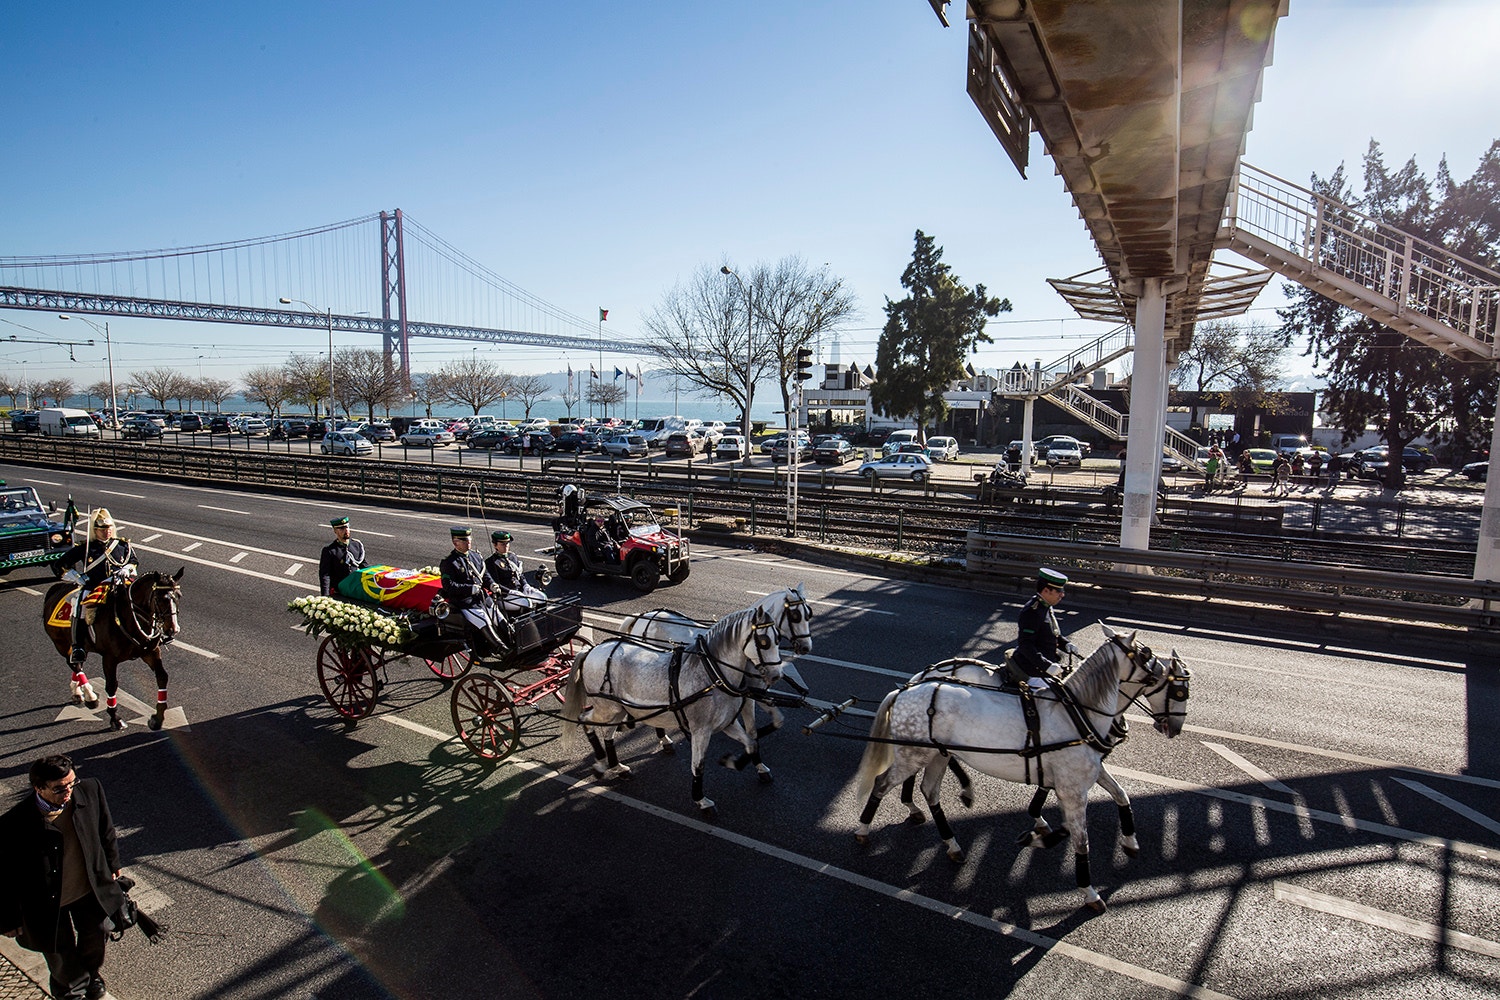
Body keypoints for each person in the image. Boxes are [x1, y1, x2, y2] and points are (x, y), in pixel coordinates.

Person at [0, 755, 127, 1000]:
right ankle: (70, 992)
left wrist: (113, 863)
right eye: (59, 788)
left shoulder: (90, 789)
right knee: (59, 951)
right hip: (44, 902)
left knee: (98, 932)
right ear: (38, 788)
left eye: (72, 783)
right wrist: (7, 919)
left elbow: (105, 828)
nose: (68, 791)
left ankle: (90, 975)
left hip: (87, 887)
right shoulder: (13, 824)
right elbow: (4, 876)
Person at [58, 509, 138, 665]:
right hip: (95, 586)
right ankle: (78, 647)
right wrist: (76, 577)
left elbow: (133, 561)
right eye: (102, 529)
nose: (107, 532)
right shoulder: (86, 548)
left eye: (109, 528)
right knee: (79, 606)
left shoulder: (122, 545)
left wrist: (127, 568)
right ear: (95, 530)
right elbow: (61, 564)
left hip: (119, 585)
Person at [439, 526, 509, 658]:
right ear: (455, 542)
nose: (468, 542)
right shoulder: (449, 562)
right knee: (484, 620)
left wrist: (492, 584)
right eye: (464, 540)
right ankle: (501, 650)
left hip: (482, 599)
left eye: (469, 539)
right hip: (465, 602)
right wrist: (469, 588)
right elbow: (449, 586)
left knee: (499, 618)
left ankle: (512, 642)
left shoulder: (475, 556)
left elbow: (485, 575)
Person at [1013, 567, 1080, 692]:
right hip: (1033, 670)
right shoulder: (1032, 611)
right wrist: (1046, 666)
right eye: (1058, 591)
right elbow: (1025, 645)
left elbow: (1051, 634)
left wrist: (1066, 644)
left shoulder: (1045, 606)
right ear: (1046, 590)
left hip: (1047, 666)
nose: (1062, 595)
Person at [484, 530, 546, 612]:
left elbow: (520, 575)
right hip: (505, 595)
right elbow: (495, 583)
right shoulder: (491, 562)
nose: (506, 546)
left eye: (507, 543)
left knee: (541, 597)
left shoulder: (512, 557)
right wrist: (510, 591)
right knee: (526, 602)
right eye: (502, 544)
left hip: (519, 590)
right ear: (495, 545)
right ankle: (527, 620)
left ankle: (541, 618)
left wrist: (526, 585)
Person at [318, 515, 368, 597]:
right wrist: (325, 596)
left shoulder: (357, 545)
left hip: (355, 590)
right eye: (341, 528)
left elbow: (364, 566)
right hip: (339, 591)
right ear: (335, 531)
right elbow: (325, 575)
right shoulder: (330, 550)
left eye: (347, 527)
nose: (346, 530)